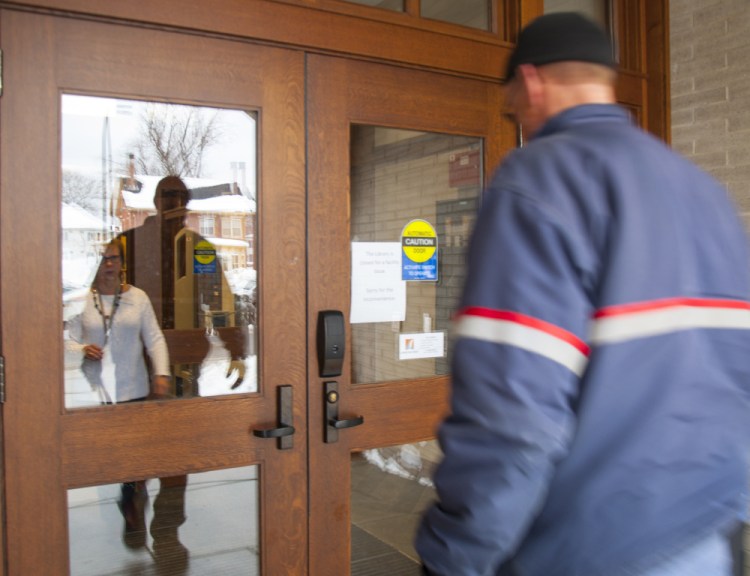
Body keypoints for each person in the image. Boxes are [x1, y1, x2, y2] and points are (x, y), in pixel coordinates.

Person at [416, 12, 750, 576]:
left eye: (512, 104)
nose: (518, 118)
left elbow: (513, 415)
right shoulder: (704, 192)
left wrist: (455, 555)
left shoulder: (538, 184)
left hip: (593, 547)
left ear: (532, 81)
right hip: (707, 533)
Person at [66, 237, 171, 542]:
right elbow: (64, 340)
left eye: (114, 259)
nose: (109, 265)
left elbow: (155, 339)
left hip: (133, 389)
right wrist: (82, 348)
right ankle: (125, 501)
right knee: (110, 457)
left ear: (123, 264)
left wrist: (161, 373)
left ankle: (133, 504)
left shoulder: (137, 298)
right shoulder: (82, 300)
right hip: (97, 393)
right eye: (103, 259)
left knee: (136, 456)